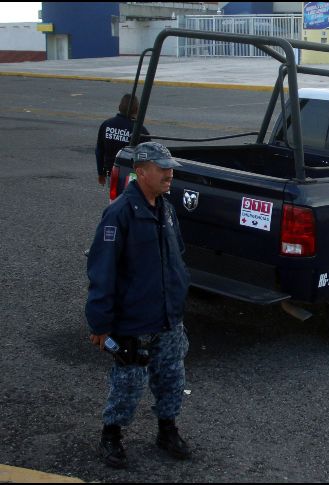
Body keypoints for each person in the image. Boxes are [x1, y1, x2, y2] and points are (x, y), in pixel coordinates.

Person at [85, 141, 191, 469]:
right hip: (135, 321)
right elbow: (102, 272)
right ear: (141, 172)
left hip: (168, 319)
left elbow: (177, 257)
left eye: (170, 168)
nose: (169, 174)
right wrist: (100, 325)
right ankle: (111, 435)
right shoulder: (119, 214)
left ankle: (166, 430)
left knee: (172, 377)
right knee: (129, 382)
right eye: (162, 169)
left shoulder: (166, 210)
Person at [95, 94, 150, 187]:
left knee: (116, 199)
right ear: (137, 109)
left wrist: (101, 173)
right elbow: (149, 156)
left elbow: (99, 151)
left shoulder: (107, 124)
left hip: (112, 172)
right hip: (132, 175)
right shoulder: (140, 130)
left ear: (119, 107)